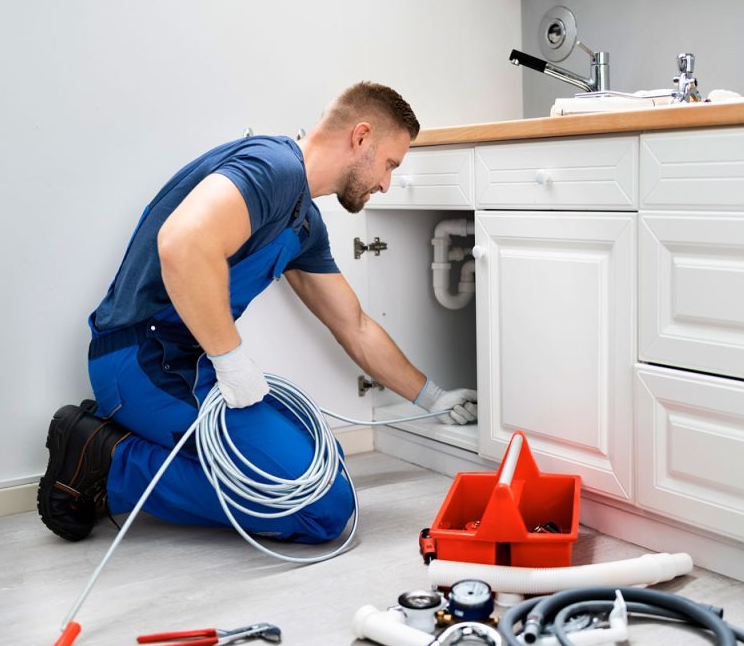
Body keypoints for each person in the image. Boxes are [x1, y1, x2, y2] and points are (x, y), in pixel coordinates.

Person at [38, 81, 478, 544]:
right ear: (361, 136)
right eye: (390, 164)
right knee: (322, 509)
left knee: (324, 460)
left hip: (188, 366)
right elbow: (182, 244)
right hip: (141, 362)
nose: (386, 183)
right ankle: (109, 464)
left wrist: (433, 398)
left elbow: (356, 326)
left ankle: (140, 445)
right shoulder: (272, 167)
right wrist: (231, 362)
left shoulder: (304, 223)